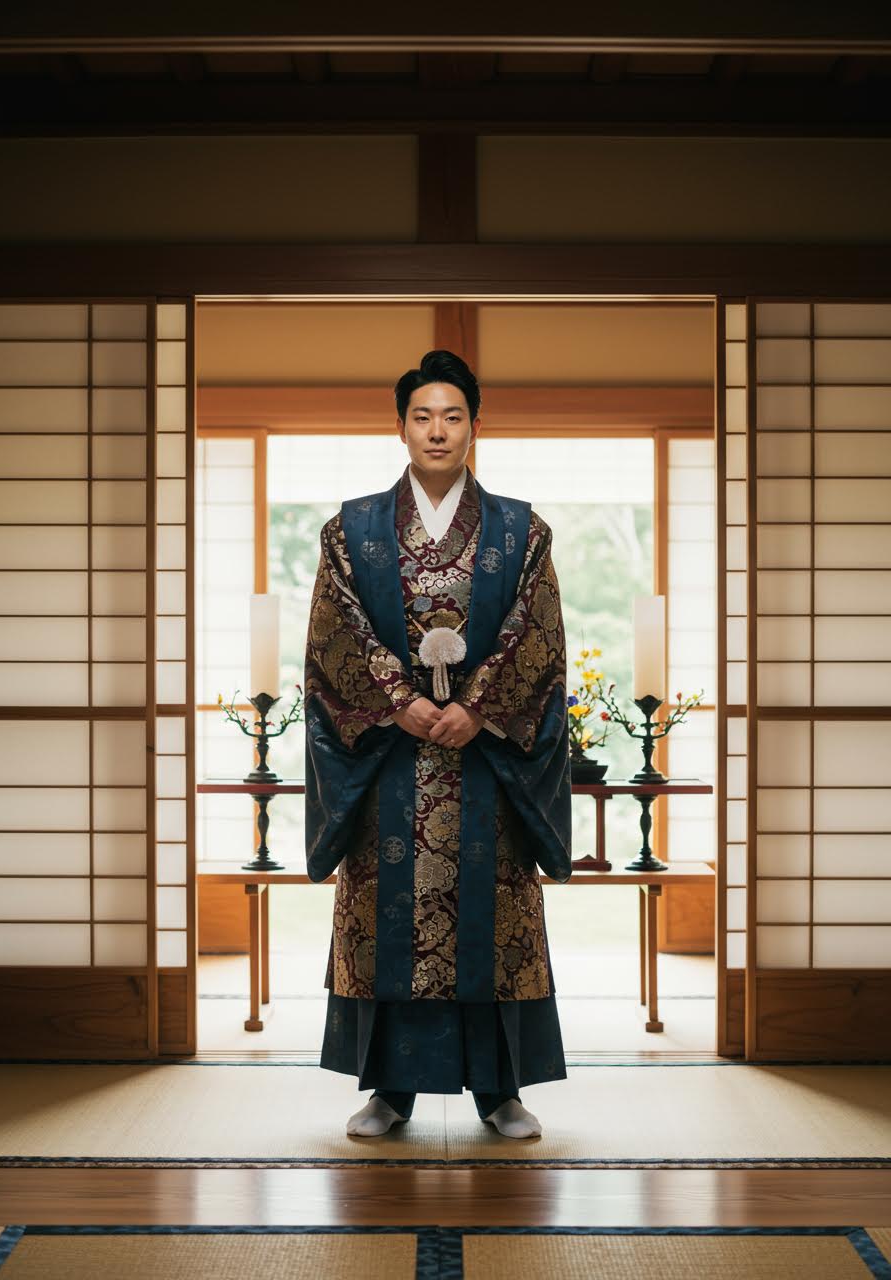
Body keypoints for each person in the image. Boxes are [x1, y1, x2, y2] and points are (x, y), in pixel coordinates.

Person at [304, 349, 572, 1139]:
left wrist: (480, 708)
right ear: (400, 427)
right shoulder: (350, 528)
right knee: (384, 919)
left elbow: (539, 635)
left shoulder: (523, 529)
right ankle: (389, 1088)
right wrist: (399, 699)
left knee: (495, 922)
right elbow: (334, 631)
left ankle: (501, 1091)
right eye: (422, 415)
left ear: (475, 428)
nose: (437, 430)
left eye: (453, 415)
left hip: (485, 766)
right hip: (390, 759)